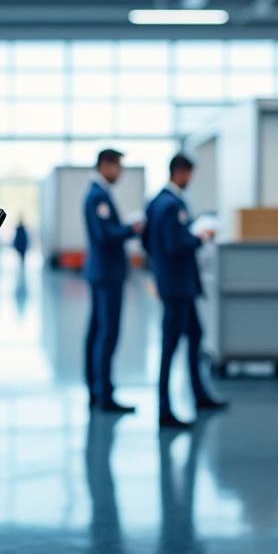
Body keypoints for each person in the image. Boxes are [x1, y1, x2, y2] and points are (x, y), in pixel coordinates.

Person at [143, 154, 227, 429]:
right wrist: (198, 237)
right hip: (177, 285)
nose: (190, 180)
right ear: (180, 173)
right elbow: (173, 243)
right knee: (170, 346)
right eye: (189, 175)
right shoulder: (170, 204)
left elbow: (148, 241)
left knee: (195, 335)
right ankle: (164, 410)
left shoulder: (155, 202)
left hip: (175, 283)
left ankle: (200, 395)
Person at [83, 149, 142, 413]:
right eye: (118, 166)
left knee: (98, 331)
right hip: (107, 274)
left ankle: (97, 389)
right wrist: (131, 229)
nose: (120, 172)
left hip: (102, 273)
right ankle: (103, 393)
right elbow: (106, 235)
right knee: (107, 333)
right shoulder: (98, 196)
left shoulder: (98, 194)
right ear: (105, 165)